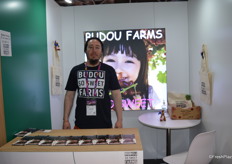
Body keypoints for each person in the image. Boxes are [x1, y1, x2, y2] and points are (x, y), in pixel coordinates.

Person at [63, 37, 123, 129]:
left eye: (97, 47)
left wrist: (119, 120)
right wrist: (65, 120)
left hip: (104, 125)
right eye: (90, 47)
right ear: (85, 50)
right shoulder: (76, 70)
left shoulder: (109, 70)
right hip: (81, 125)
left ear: (102, 51)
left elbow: (117, 95)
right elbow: (69, 96)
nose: (94, 50)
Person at [102, 31, 160, 110]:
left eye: (129, 61)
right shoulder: (94, 93)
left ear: (142, 66)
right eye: (111, 60)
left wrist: (137, 114)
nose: (118, 69)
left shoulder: (149, 94)